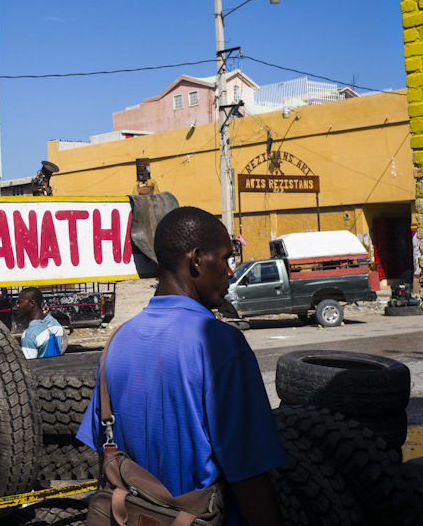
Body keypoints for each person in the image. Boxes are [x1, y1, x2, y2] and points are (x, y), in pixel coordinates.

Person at [77, 207, 286, 526]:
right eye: (227, 258)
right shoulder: (221, 345)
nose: (231, 272)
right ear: (198, 259)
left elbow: (106, 455)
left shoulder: (116, 342)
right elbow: (250, 480)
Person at [17, 286, 66, 359]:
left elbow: (29, 366)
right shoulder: (56, 324)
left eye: (20, 302)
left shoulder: (29, 335)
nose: (17, 305)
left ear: (32, 304)